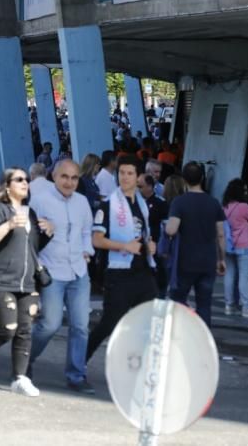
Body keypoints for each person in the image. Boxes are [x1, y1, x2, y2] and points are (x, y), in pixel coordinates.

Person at [0, 167, 54, 397]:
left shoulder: (31, 213)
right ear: (7, 186)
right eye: (19, 180)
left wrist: (47, 233)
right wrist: (8, 225)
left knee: (25, 330)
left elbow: (32, 249)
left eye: (26, 179)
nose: (25, 183)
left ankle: (20, 378)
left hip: (26, 281)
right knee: (8, 328)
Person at [28, 159, 95, 393]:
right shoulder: (40, 201)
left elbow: (87, 231)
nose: (69, 182)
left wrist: (88, 251)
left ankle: (76, 375)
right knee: (49, 324)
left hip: (78, 271)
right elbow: (30, 236)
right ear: (53, 177)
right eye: (64, 177)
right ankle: (25, 359)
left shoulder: (83, 202)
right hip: (52, 271)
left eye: (74, 178)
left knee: (80, 326)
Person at [86, 156, 158, 368]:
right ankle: (79, 362)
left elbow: (142, 235)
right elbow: (96, 240)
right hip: (118, 274)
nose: (125, 177)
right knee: (109, 324)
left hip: (144, 272)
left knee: (148, 323)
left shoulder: (143, 205)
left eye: (130, 173)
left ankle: (137, 367)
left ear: (138, 178)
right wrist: (124, 246)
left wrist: (150, 246)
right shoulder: (108, 205)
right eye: (122, 173)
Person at [165, 162, 226, 327]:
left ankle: (178, 336)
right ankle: (203, 342)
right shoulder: (213, 202)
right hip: (208, 261)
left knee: (177, 300)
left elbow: (171, 229)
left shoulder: (179, 202)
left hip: (185, 261)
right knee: (204, 304)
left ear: (184, 180)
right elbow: (220, 234)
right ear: (202, 178)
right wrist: (221, 259)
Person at [222, 178, 248, 318]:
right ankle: (247, 307)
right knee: (244, 277)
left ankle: (229, 305)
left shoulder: (225, 207)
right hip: (244, 245)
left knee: (229, 275)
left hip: (228, 246)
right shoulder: (244, 207)